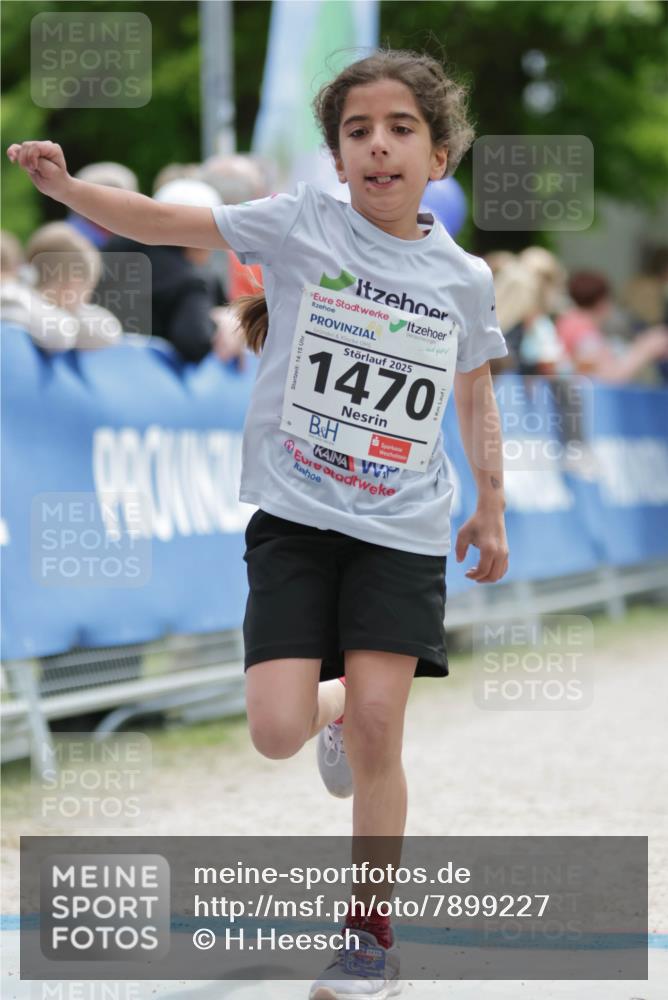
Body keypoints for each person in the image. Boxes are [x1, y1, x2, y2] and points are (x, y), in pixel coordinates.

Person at [8, 47, 510, 1000]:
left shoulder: (464, 279)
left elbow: (476, 397)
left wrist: (490, 505)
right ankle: (325, 715)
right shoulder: (299, 223)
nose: (378, 145)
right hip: (295, 518)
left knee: (380, 728)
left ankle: (369, 943)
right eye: (357, 130)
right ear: (336, 157)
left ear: (439, 158)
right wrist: (68, 187)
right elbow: (164, 221)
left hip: (403, 526)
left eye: (402, 128)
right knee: (279, 731)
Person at [94, 177, 229, 363]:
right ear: (201, 235)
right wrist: (220, 322)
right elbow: (195, 344)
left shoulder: (104, 254)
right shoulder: (189, 281)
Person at [0, 222, 121, 352]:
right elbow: (60, 336)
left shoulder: (29, 304)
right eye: (88, 290)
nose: (86, 300)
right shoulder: (11, 298)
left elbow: (108, 332)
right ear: (72, 285)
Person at [556, 270, 668, 382]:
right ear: (602, 301)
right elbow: (610, 376)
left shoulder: (570, 320)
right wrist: (646, 348)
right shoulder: (581, 327)